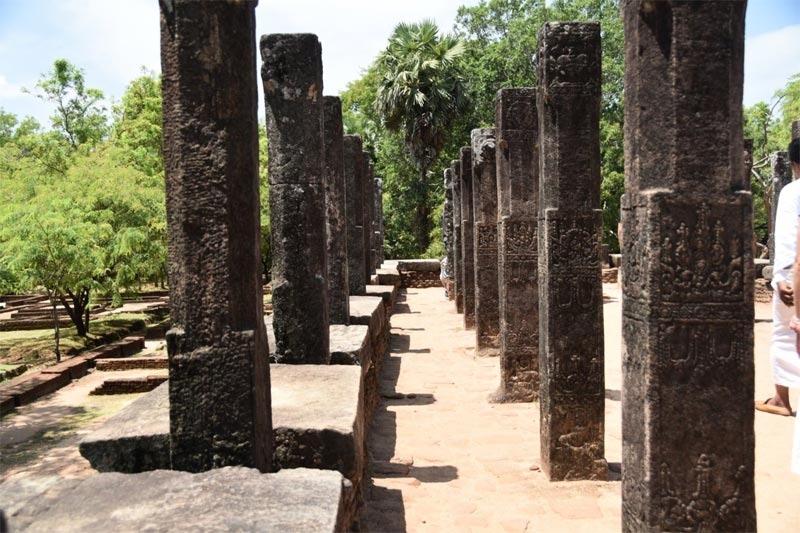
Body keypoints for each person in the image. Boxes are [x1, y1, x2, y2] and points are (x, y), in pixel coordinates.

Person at [758, 138, 800, 417]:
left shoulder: (792, 191)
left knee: (783, 334)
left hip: (794, 277)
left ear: (794, 163)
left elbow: (787, 236)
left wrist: (781, 278)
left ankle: (780, 399)